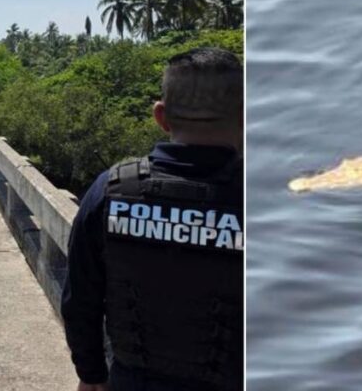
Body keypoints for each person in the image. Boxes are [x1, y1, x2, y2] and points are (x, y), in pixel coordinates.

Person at [61, 47, 244, 391]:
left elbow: (80, 298)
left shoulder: (111, 190)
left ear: (160, 116)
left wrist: (91, 373)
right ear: (245, 116)